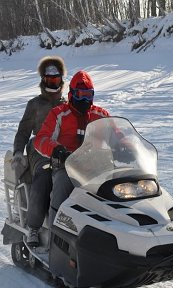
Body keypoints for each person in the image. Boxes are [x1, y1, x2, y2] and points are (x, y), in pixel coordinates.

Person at [34, 70, 110, 232]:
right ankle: (56, 235)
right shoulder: (59, 114)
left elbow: (117, 135)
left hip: (95, 167)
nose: (84, 99)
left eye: (87, 95)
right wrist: (57, 150)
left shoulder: (101, 115)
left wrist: (126, 146)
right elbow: (41, 139)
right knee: (62, 183)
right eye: (80, 94)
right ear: (72, 94)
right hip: (66, 166)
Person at [11, 56, 67, 247]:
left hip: (62, 150)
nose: (53, 83)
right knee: (44, 175)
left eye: (56, 79)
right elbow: (23, 132)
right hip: (39, 150)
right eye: (50, 80)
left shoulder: (67, 105)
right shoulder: (35, 104)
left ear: (61, 80)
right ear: (43, 80)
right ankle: (33, 227)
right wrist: (18, 152)